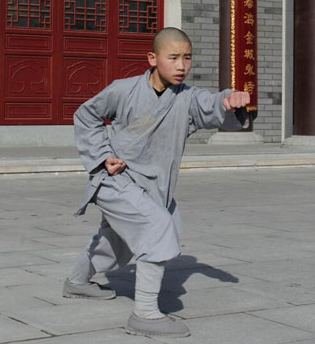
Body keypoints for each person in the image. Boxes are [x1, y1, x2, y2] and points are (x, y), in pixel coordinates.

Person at [62, 27, 251, 337]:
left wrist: (229, 100)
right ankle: (145, 314)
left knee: (118, 244)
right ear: (152, 58)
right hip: (116, 180)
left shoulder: (187, 98)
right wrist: (101, 155)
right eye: (173, 57)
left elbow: (212, 104)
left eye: (187, 58)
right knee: (157, 227)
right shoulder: (122, 90)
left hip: (153, 188)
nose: (181, 66)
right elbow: (86, 115)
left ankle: (77, 282)